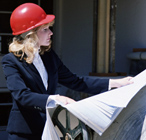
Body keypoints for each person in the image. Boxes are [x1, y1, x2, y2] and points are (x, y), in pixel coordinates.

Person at [1, 3, 133, 140]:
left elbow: (75, 81)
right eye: (45, 29)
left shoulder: (49, 56)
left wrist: (115, 83)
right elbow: (21, 95)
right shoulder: (11, 61)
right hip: (23, 134)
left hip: (50, 131)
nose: (51, 33)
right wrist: (55, 99)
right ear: (31, 35)